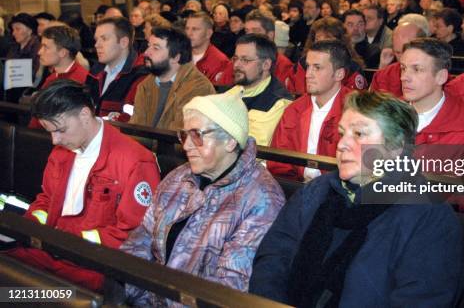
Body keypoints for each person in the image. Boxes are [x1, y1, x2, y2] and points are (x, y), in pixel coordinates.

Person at [250, 91, 464, 307]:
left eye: (359, 134)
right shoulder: (317, 191)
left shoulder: (429, 217)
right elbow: (272, 258)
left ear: (396, 147)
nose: (342, 144)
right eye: (342, 133)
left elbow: (422, 299)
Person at [121, 91, 285, 305]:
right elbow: (141, 240)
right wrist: (136, 298)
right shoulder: (179, 178)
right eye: (184, 135)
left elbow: (230, 287)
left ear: (229, 141)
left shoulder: (262, 200)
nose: (186, 145)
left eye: (197, 135)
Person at [7, 80, 160, 291]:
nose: (54, 140)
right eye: (49, 131)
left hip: (94, 264)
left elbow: (133, 234)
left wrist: (72, 242)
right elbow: (47, 200)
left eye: (60, 130)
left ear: (85, 115)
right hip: (50, 249)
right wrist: (30, 226)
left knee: (20, 293)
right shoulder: (62, 151)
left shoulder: (135, 161)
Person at [269, 40, 352, 181]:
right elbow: (279, 164)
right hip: (297, 188)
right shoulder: (294, 110)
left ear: (339, 74)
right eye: (308, 67)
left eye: (317, 68)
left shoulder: (357, 112)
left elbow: (365, 171)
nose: (308, 74)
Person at [130, 27, 215, 130]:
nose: (146, 52)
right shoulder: (145, 86)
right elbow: (136, 130)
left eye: (156, 48)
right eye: (148, 46)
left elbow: (179, 137)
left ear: (175, 58)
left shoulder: (198, 88)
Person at [400, 38, 464, 145]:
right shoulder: (384, 114)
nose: (404, 77)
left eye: (417, 69)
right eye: (403, 68)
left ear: (441, 77)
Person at [225, 34, 293, 146]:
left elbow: (252, 147)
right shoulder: (230, 92)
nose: (236, 65)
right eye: (235, 58)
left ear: (266, 64)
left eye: (245, 60)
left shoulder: (278, 103)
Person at [86, 17, 148, 120]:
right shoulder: (95, 71)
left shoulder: (140, 75)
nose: (97, 45)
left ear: (123, 42)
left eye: (104, 39)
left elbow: (133, 121)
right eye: (96, 40)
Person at [287, 17, 368, 94]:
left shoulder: (352, 68)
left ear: (340, 41)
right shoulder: (302, 65)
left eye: (327, 39)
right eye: (318, 39)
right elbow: (295, 95)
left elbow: (354, 101)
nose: (321, 45)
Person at [370, 17, 428, 97]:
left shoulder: (434, 73)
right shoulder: (383, 75)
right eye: (398, 52)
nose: (403, 59)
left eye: (407, 52)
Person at [184, 11, 229, 85]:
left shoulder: (221, 62)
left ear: (208, 33)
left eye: (195, 29)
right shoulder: (179, 56)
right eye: (187, 28)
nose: (189, 33)